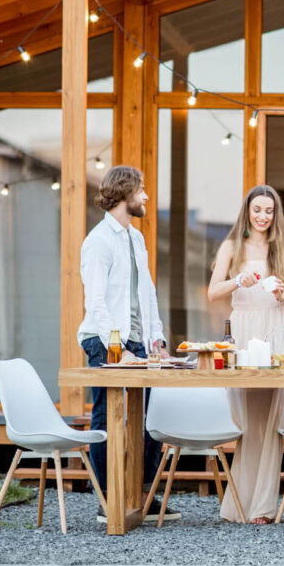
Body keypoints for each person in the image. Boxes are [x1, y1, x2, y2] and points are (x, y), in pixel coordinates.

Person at [78, 165, 178, 522]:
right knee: (107, 415)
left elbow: (147, 294)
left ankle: (143, 494)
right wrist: (119, 351)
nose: (147, 196)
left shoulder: (136, 238)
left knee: (150, 415)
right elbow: (97, 304)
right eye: (142, 190)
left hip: (136, 343)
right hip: (104, 342)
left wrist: (157, 340)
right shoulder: (98, 241)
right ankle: (109, 500)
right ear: (123, 193)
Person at [208, 185, 284, 524]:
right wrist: (238, 281)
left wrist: (281, 292)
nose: (263, 216)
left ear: (276, 215)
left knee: (271, 421)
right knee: (247, 421)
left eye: (269, 210)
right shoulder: (231, 245)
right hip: (244, 330)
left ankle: (262, 505)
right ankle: (237, 503)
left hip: (276, 327)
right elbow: (214, 291)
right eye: (257, 209)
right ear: (247, 211)